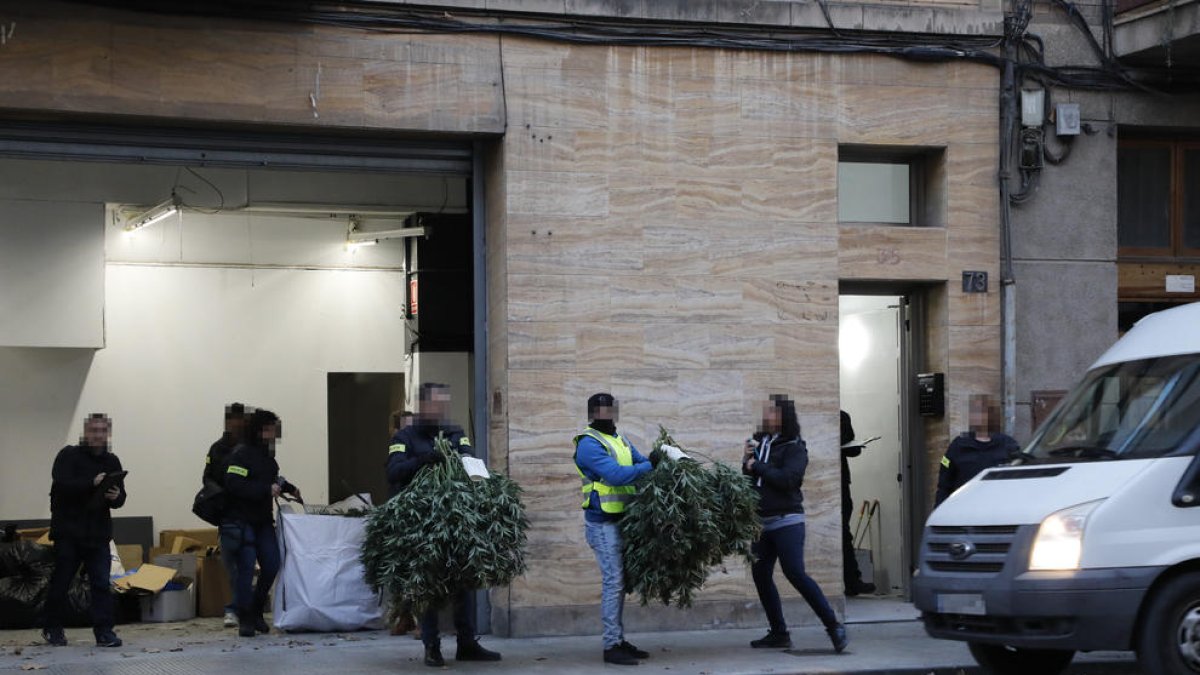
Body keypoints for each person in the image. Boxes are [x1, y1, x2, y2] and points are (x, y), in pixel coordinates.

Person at [385, 383, 501, 668]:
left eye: (444, 403)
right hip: (423, 520)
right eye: (435, 403)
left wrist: (465, 462)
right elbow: (394, 472)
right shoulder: (404, 437)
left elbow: (472, 461)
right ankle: (432, 646)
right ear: (423, 405)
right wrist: (422, 460)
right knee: (428, 585)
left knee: (466, 581)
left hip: (456, 518)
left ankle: (467, 643)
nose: (440, 409)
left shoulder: (454, 433)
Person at [744, 396, 848, 653]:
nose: (766, 416)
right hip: (761, 522)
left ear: (783, 417)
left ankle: (833, 625)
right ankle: (779, 633)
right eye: (766, 410)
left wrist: (756, 465)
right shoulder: (761, 444)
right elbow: (752, 478)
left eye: (771, 411)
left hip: (786, 521)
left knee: (795, 572)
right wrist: (748, 462)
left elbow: (789, 479)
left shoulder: (795, 447)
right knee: (760, 575)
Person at [573, 393, 657, 666]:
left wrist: (648, 463)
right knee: (613, 583)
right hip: (602, 523)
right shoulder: (588, 444)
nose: (606, 414)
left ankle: (618, 639)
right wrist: (650, 464)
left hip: (621, 520)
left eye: (610, 409)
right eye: (601, 410)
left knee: (620, 584)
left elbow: (639, 461)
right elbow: (618, 475)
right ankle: (611, 646)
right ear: (592, 413)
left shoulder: (619, 439)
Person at [43, 414, 127, 648]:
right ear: (86, 432)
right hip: (68, 532)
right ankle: (53, 627)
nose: (98, 435)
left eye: (102, 431)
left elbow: (121, 498)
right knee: (62, 582)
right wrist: (91, 483)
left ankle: (104, 632)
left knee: (101, 583)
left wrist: (117, 496)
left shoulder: (112, 461)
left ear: (107, 434)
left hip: (98, 534)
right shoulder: (68, 456)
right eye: (94, 430)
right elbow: (61, 484)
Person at [222, 408, 300, 638]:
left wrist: (289, 488)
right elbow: (234, 483)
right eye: (268, 430)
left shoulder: (269, 457)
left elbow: (273, 479)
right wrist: (265, 490)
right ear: (258, 430)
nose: (271, 434)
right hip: (242, 521)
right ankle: (246, 618)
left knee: (272, 564)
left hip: (263, 521)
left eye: (273, 430)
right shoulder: (241, 455)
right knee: (246, 572)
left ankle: (256, 610)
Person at [203, 402, 247, 628]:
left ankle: (238, 608)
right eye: (233, 420)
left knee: (245, 565)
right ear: (227, 422)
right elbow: (207, 477)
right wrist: (218, 494)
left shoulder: (251, 448)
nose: (237, 424)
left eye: (241, 420)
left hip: (248, 514)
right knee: (232, 565)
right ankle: (238, 606)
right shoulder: (216, 449)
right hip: (226, 515)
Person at [934, 394, 1021, 505]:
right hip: (964, 508)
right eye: (976, 412)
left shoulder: (1008, 445)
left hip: (997, 508)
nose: (980, 417)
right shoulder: (958, 445)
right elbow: (944, 483)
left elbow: (1017, 482)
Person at [386, 409, 418, 637]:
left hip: (417, 513)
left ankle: (417, 618)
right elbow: (395, 472)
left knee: (417, 568)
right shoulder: (397, 447)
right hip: (401, 512)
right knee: (400, 568)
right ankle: (404, 616)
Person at [839, 411, 875, 597]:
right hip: (839, 483)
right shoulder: (841, 416)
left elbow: (853, 449)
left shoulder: (842, 417)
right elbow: (852, 449)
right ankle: (852, 581)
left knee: (844, 533)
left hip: (841, 482)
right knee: (843, 533)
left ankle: (852, 581)